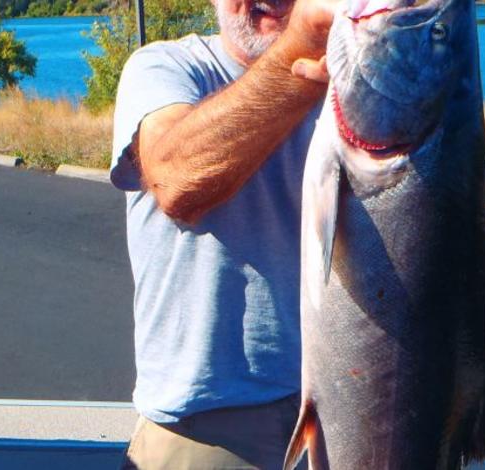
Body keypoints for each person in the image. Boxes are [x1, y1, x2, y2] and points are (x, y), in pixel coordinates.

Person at [108, 0, 336, 466]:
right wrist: (306, 41)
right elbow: (177, 180)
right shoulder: (166, 67)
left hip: (351, 408)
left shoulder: (349, 85)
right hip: (208, 428)